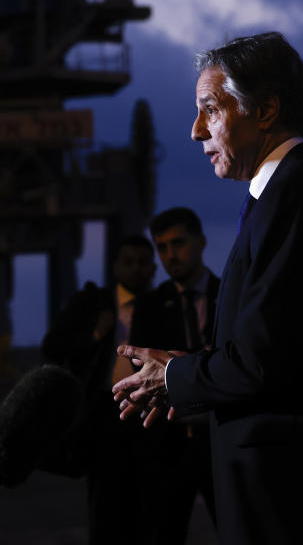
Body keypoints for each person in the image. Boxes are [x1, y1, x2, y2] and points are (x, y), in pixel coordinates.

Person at [113, 32, 303, 544]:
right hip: (291, 492)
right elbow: (276, 349)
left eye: (210, 109)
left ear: (265, 109)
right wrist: (189, 376)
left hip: (295, 498)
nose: (195, 130)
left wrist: (175, 376)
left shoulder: (297, 197)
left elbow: (261, 361)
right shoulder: (285, 196)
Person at [41, 233, 157, 545]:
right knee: (105, 506)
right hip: (102, 414)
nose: (136, 270)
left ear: (153, 269)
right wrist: (95, 334)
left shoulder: (161, 305)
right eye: (128, 263)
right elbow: (53, 346)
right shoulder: (91, 303)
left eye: (143, 264)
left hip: (146, 416)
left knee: (147, 508)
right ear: (115, 267)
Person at [126, 206, 220, 543]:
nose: (170, 255)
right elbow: (142, 373)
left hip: (221, 440)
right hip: (168, 445)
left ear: (201, 242)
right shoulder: (149, 306)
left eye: (178, 243)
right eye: (162, 248)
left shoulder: (230, 296)